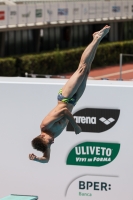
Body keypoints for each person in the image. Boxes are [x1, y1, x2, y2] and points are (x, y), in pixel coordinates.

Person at [29, 25, 110, 163]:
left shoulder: (45, 126)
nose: (52, 142)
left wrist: (76, 126)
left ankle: (96, 37)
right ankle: (98, 39)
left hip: (65, 97)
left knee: (82, 68)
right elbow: (46, 159)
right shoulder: (48, 140)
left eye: (49, 142)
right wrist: (37, 159)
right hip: (74, 100)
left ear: (42, 137)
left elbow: (64, 111)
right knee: (87, 69)